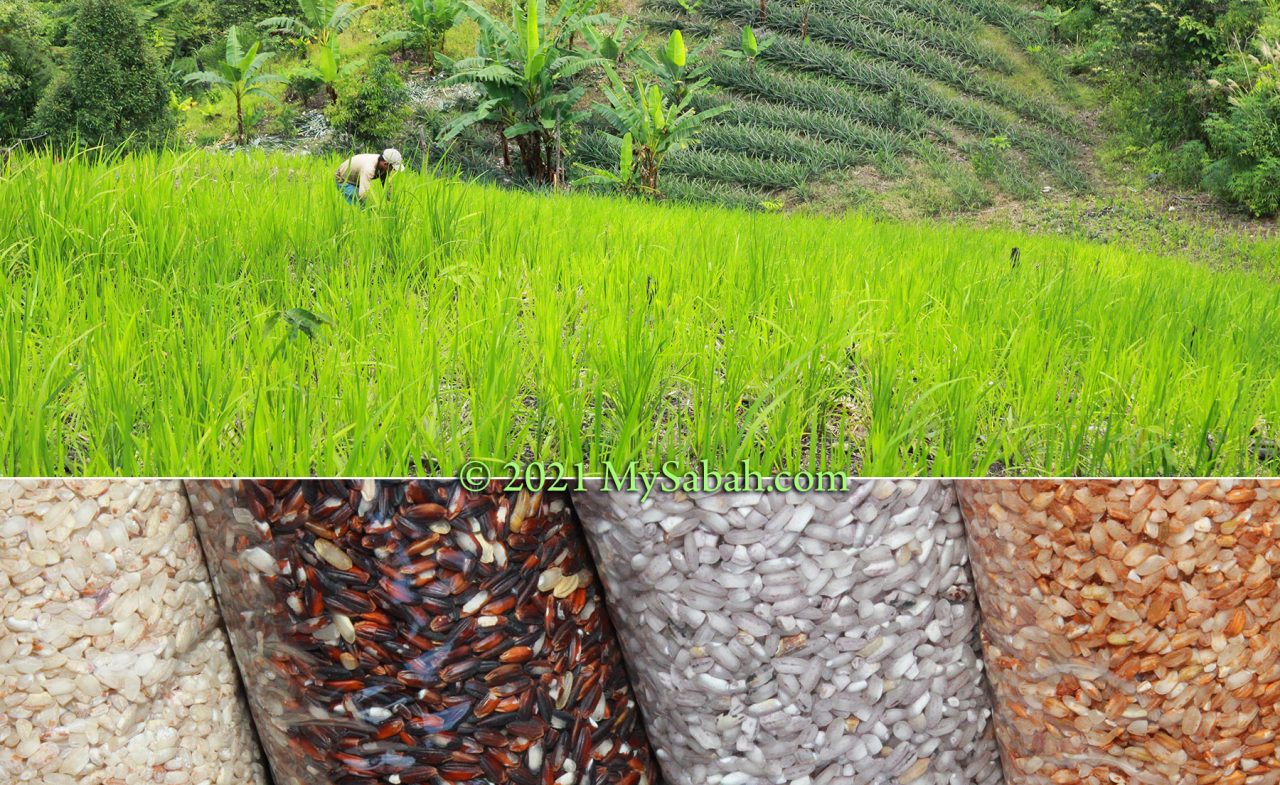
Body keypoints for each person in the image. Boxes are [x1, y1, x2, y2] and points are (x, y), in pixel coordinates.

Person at [335, 148, 404, 204]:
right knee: (365, 206)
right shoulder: (369, 168)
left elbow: (386, 184)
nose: (393, 170)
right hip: (343, 180)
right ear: (385, 164)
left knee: (370, 206)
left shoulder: (382, 163)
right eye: (393, 168)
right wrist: (373, 207)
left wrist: (393, 202)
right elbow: (363, 193)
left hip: (356, 179)